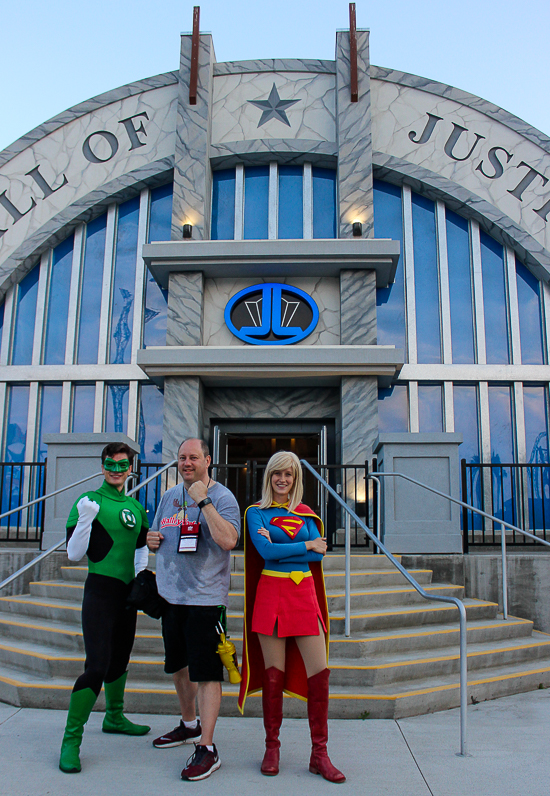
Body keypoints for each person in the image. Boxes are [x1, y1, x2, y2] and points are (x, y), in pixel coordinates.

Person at [238, 450, 345, 784]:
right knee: (273, 676)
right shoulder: (256, 513)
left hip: (303, 596)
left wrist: (305, 547)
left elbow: (321, 554)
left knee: (320, 674)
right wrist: (306, 546)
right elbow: (266, 552)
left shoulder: (309, 516)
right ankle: (272, 748)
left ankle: (320, 754)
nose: (282, 480)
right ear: (268, 477)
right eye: (276, 474)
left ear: (296, 479)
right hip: (271, 597)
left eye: (288, 475)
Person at [146, 438, 240, 782]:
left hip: (205, 599)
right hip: (171, 597)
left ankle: (208, 746)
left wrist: (204, 501)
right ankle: (189, 724)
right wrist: (152, 538)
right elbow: (157, 532)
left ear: (208, 460)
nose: (187, 463)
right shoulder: (170, 496)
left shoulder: (224, 497)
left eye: (194, 458)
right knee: (178, 666)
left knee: (208, 672)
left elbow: (229, 540)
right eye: (182, 458)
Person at [59, 442, 150, 774]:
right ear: (103, 467)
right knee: (96, 665)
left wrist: (141, 578)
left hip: (127, 594)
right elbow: (73, 553)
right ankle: (71, 741)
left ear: (130, 468)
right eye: (110, 465)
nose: (115, 470)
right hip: (99, 590)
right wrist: (85, 520)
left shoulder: (136, 507)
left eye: (121, 465)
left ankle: (114, 716)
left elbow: (140, 547)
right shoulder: (88, 501)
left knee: (121, 657)